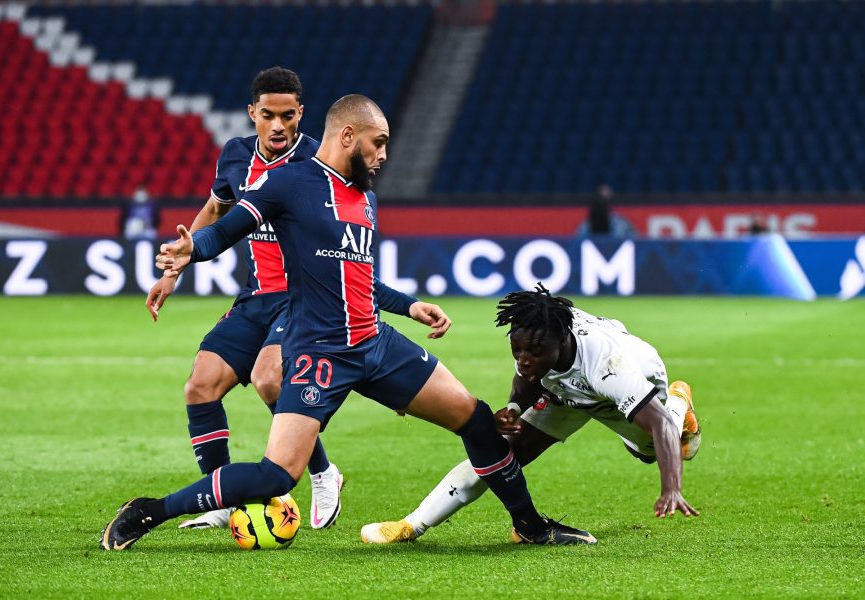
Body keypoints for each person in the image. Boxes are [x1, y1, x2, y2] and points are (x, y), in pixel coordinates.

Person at [100, 95, 595, 550]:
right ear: (346, 135)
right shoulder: (288, 183)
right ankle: (150, 511)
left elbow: (358, 278)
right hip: (319, 354)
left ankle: (530, 526)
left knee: (476, 419)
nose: (382, 155)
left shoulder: (365, 198)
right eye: (377, 143)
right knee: (276, 477)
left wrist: (409, 306)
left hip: (377, 345)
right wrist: (193, 249)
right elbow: (227, 229)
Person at [144, 67, 343, 531]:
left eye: (288, 116)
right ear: (252, 112)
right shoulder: (235, 156)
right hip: (255, 297)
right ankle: (219, 493)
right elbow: (217, 208)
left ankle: (322, 472)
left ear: (301, 115)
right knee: (201, 386)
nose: (278, 126)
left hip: (302, 298)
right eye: (268, 115)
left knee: (270, 379)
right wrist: (178, 265)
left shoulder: (320, 161)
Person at [360, 284, 701, 544]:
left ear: (562, 340)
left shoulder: (608, 366)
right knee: (500, 453)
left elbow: (655, 424)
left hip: (629, 386)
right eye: (517, 349)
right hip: (566, 391)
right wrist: (513, 408)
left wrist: (671, 488)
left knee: (649, 450)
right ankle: (412, 525)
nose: (523, 358)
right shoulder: (533, 340)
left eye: (533, 352)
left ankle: (679, 401)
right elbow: (527, 380)